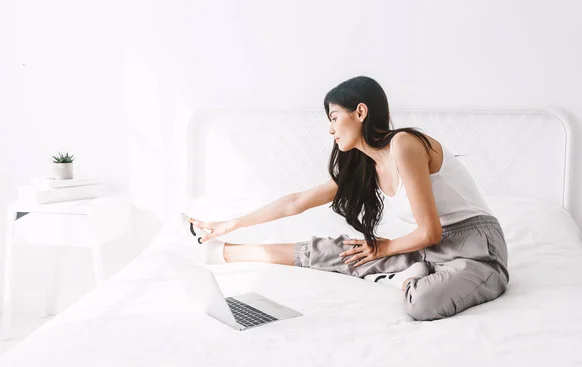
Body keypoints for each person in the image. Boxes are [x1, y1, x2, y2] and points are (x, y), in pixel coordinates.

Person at [183, 76, 509, 321]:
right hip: (427, 250)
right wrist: (230, 224)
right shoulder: (366, 166)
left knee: (421, 303)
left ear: (361, 112)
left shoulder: (405, 144)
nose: (330, 129)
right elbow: (295, 202)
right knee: (342, 252)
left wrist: (383, 248)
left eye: (334, 117)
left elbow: (431, 232)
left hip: (476, 249)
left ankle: (410, 275)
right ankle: (223, 253)